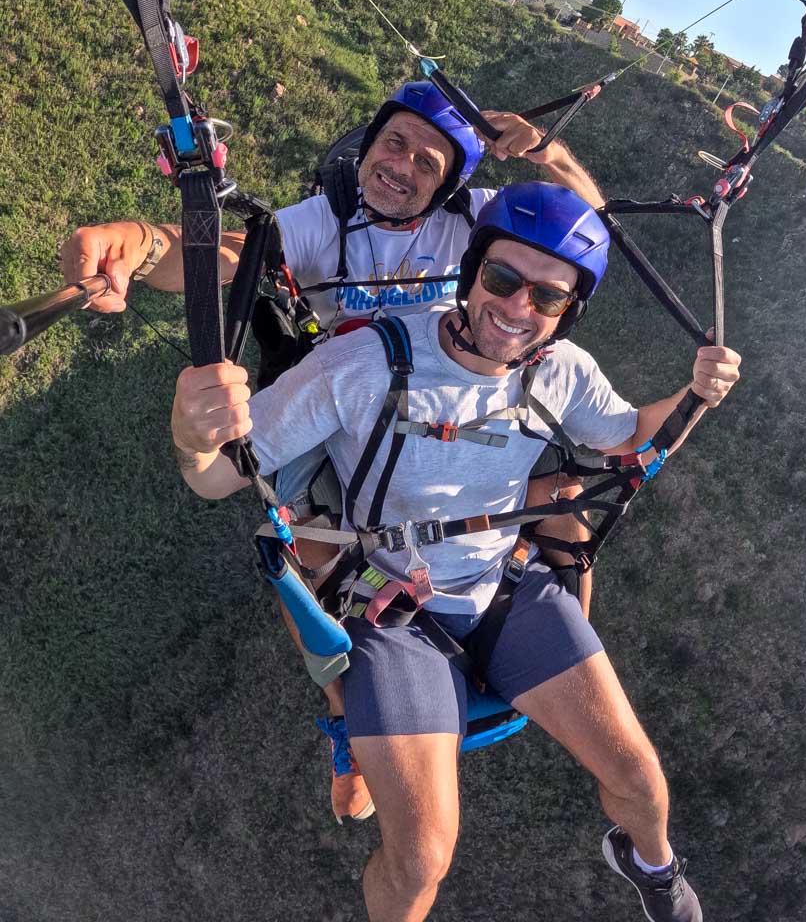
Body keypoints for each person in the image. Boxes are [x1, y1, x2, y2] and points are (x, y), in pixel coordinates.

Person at [170, 182, 741, 922]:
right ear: (471, 274)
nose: (517, 309)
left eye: (547, 299)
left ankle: (651, 867)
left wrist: (696, 397)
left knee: (640, 776)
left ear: (569, 313)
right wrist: (192, 434)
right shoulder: (366, 362)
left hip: (504, 586)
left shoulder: (560, 371)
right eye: (502, 281)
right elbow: (220, 477)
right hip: (395, 609)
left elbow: (632, 437)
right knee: (420, 860)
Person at [59, 80, 606, 821]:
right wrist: (144, 243)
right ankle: (349, 715)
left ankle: (546, 643)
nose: (404, 166)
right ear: (368, 147)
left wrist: (547, 152)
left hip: (445, 399)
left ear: (451, 185)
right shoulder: (327, 220)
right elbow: (230, 254)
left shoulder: (473, 227)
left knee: (570, 509)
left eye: (429, 160)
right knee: (310, 551)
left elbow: (583, 226)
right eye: (394, 143)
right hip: (339, 403)